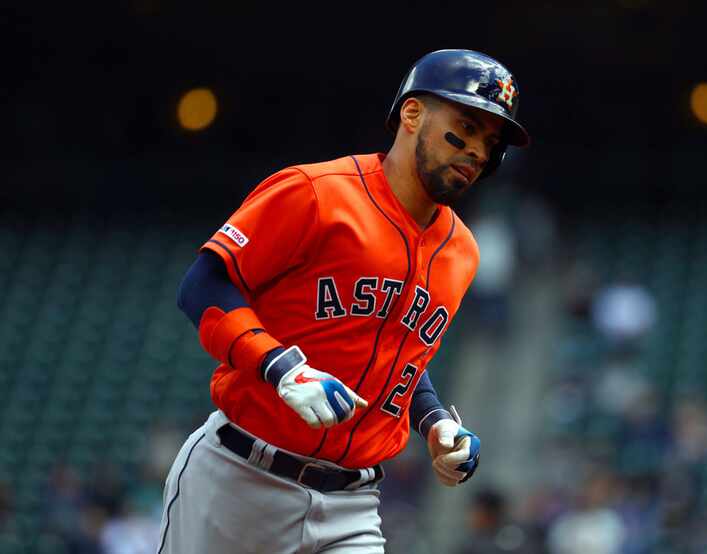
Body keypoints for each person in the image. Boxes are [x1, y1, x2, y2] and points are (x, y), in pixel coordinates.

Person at [157, 49, 530, 554]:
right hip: (239, 480)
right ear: (412, 113)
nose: (477, 152)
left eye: (491, 141)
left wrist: (435, 420)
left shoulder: (462, 252)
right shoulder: (317, 193)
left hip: (352, 506)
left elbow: (400, 356)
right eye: (466, 125)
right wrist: (282, 367)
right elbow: (202, 286)